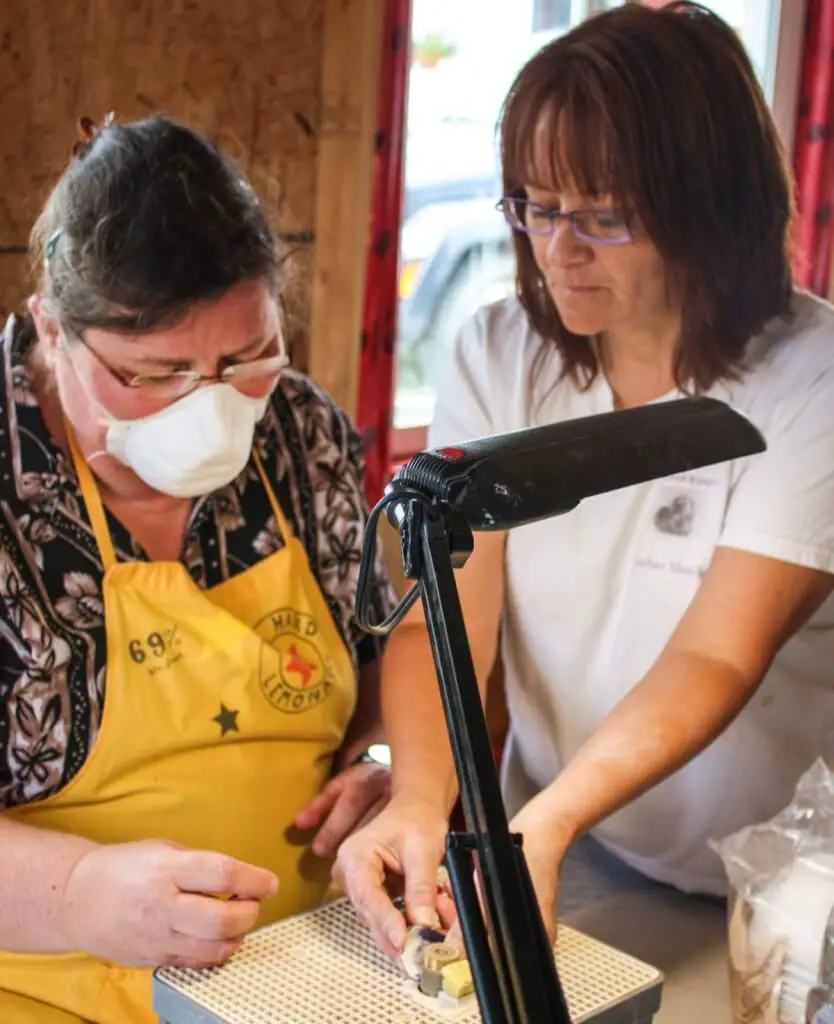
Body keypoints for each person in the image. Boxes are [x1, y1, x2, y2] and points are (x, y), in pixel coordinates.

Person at [336, 0, 834, 963]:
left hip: (777, 888)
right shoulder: (498, 351)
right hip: (576, 845)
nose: (557, 250)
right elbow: (451, 622)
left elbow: (716, 658)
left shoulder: (810, 376)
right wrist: (420, 799)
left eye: (603, 217)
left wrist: (546, 823)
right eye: (534, 206)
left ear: (708, 206)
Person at [0, 113, 395, 1023]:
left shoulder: (300, 430)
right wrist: (77, 893)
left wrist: (382, 757)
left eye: (244, 357)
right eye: (153, 372)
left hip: (307, 977)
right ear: (51, 328)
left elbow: (385, 649)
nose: (208, 407)